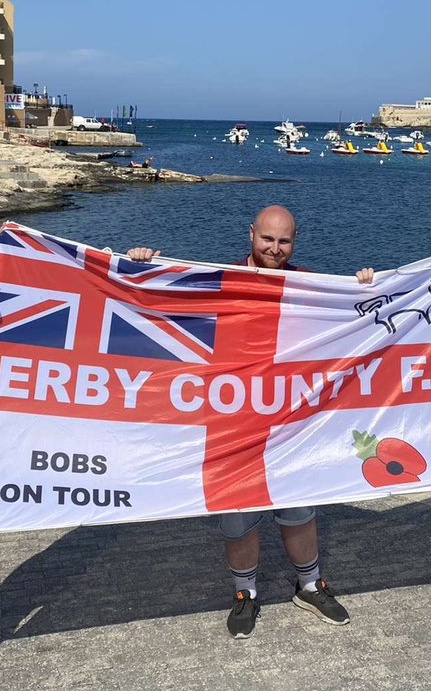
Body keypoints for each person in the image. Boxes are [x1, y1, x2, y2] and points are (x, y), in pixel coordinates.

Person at [129, 204, 374, 640]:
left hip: (290, 422)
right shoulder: (221, 281)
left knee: (299, 508)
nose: (275, 249)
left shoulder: (309, 285)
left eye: (284, 241)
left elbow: (356, 317)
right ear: (251, 235)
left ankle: (310, 585)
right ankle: (245, 593)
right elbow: (165, 301)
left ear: (294, 241)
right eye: (267, 239)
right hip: (232, 420)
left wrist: (365, 286)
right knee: (238, 515)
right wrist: (139, 267)